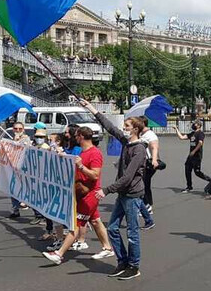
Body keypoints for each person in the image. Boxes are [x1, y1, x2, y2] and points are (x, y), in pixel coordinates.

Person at [82, 101, 148, 280]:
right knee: (112, 228)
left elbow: (127, 177)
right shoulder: (126, 142)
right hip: (123, 194)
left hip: (132, 195)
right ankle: (123, 262)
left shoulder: (139, 150)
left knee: (132, 232)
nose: (124, 128)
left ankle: (134, 267)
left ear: (135, 129)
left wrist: (106, 190)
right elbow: (110, 127)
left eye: (127, 126)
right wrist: (91, 108)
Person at [43, 126, 115, 264]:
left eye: (76, 136)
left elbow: (95, 175)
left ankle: (59, 254)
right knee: (95, 221)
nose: (74, 138)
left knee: (76, 224)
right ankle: (107, 248)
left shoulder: (94, 153)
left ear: (81, 136)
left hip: (90, 194)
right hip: (83, 193)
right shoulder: (83, 152)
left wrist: (81, 166)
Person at [5, 121, 32, 219]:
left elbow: (24, 150)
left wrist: (16, 142)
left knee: (25, 188)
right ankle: (15, 210)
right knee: (13, 189)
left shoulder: (26, 139)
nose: (18, 130)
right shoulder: (11, 139)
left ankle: (34, 210)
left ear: (23, 130)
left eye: (20, 129)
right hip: (13, 168)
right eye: (16, 129)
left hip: (23, 168)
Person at [175, 120, 210, 193]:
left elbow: (200, 143)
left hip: (197, 156)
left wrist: (194, 151)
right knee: (187, 169)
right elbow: (181, 137)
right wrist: (176, 129)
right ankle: (189, 186)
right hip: (191, 156)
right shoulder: (192, 134)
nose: (193, 125)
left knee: (197, 172)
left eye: (195, 124)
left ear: (199, 125)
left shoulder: (200, 133)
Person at [139, 120, 160, 229]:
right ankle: (147, 205)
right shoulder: (142, 134)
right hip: (143, 163)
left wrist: (154, 159)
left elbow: (154, 147)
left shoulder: (150, 134)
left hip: (149, 163)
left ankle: (146, 206)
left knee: (143, 185)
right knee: (145, 185)